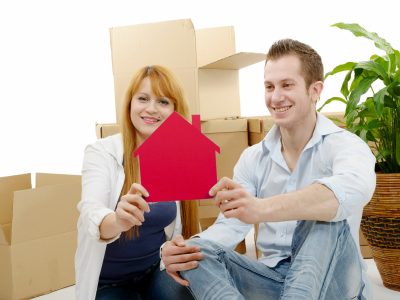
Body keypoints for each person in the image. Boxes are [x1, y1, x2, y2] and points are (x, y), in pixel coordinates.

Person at [161, 39, 376, 300]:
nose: (276, 97)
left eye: (287, 85)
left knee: (324, 213)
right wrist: (182, 250)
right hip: (271, 279)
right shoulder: (252, 158)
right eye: (269, 86)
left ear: (315, 90)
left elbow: (351, 191)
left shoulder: (347, 146)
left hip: (334, 283)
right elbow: (230, 227)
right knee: (197, 250)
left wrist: (260, 208)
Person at [75, 65, 198, 300]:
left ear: (175, 110)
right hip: (108, 283)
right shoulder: (102, 152)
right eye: (143, 98)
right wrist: (118, 220)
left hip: (156, 270)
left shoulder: (179, 156)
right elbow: (90, 212)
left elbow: (183, 229)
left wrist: (183, 245)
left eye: (163, 102)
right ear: (130, 104)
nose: (151, 109)